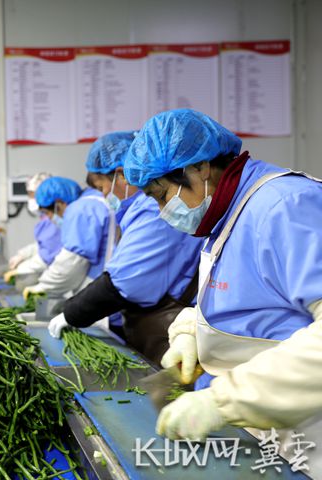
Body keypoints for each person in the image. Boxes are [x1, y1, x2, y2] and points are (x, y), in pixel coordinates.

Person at [125, 108, 322, 473]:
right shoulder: (227, 213)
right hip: (268, 435)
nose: (163, 211)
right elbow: (245, 297)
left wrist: (225, 400)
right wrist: (190, 333)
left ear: (200, 168)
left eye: (162, 195)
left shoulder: (286, 206)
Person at [48, 131, 203, 364]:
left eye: (102, 187)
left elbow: (126, 280)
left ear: (121, 174)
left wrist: (72, 313)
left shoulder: (152, 209)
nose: (104, 195)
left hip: (173, 324)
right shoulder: (141, 206)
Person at [22, 176, 113, 300]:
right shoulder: (93, 199)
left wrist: (43, 287)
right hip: (106, 278)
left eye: (48, 213)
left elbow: (72, 262)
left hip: (104, 283)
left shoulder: (80, 211)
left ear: (59, 203)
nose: (50, 218)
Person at [4, 172, 62, 283]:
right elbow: (43, 244)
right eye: (29, 194)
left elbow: (48, 254)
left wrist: (21, 269)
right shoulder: (46, 217)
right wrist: (22, 255)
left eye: (32, 194)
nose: (30, 198)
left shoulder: (55, 220)